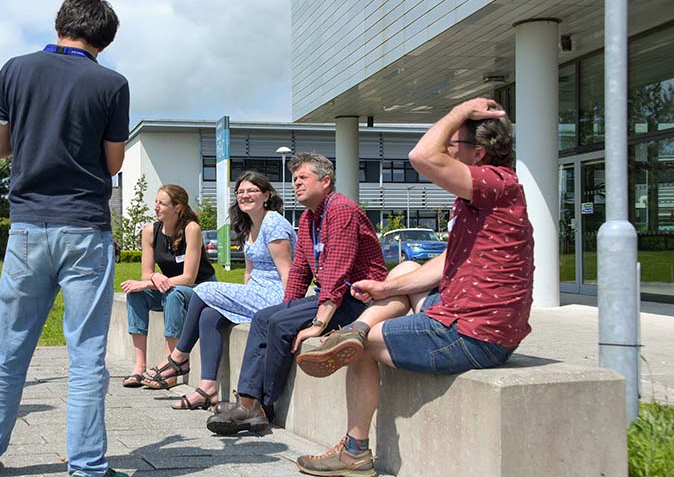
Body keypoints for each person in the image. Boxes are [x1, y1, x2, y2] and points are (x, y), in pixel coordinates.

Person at [293, 98, 533, 477]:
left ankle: (355, 451)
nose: (445, 152)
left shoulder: (496, 183)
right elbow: (445, 262)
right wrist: (384, 288)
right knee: (405, 269)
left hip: (474, 334)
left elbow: (421, 156)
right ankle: (355, 329)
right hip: (466, 316)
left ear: (478, 153)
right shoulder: (478, 200)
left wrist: (460, 111)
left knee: (363, 349)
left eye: (452, 145)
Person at [0, 0, 130, 477]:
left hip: (27, 227)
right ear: (103, 40)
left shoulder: (15, 70)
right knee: (86, 355)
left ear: (60, 24)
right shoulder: (112, 83)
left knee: (10, 348)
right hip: (84, 228)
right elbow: (113, 163)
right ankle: (87, 466)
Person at [206, 153, 386, 435]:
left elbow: (336, 272)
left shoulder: (341, 210)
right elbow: (300, 273)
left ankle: (261, 405)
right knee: (265, 317)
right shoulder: (309, 217)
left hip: (359, 299)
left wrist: (317, 324)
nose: (296, 184)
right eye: (294, 179)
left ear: (325, 181)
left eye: (303, 177)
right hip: (334, 296)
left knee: (280, 324)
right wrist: (286, 307)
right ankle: (248, 402)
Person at [140, 171, 296, 409]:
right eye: (241, 192)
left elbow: (288, 272)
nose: (245, 196)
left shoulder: (273, 223)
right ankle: (207, 389)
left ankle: (179, 357)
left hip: (275, 296)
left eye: (252, 191)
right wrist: (243, 297)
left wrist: (287, 310)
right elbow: (249, 272)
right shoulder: (249, 225)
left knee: (204, 289)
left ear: (266, 195)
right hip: (256, 293)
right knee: (209, 314)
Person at [120, 184, 216, 389]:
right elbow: (146, 273)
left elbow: (189, 278)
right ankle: (139, 366)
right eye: (156, 202)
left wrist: (151, 282)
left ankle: (171, 368)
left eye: (162, 203)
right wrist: (154, 277)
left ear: (177, 207)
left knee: (173, 295)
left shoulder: (192, 229)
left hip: (199, 288)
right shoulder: (149, 231)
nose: (156, 207)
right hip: (169, 287)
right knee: (136, 294)